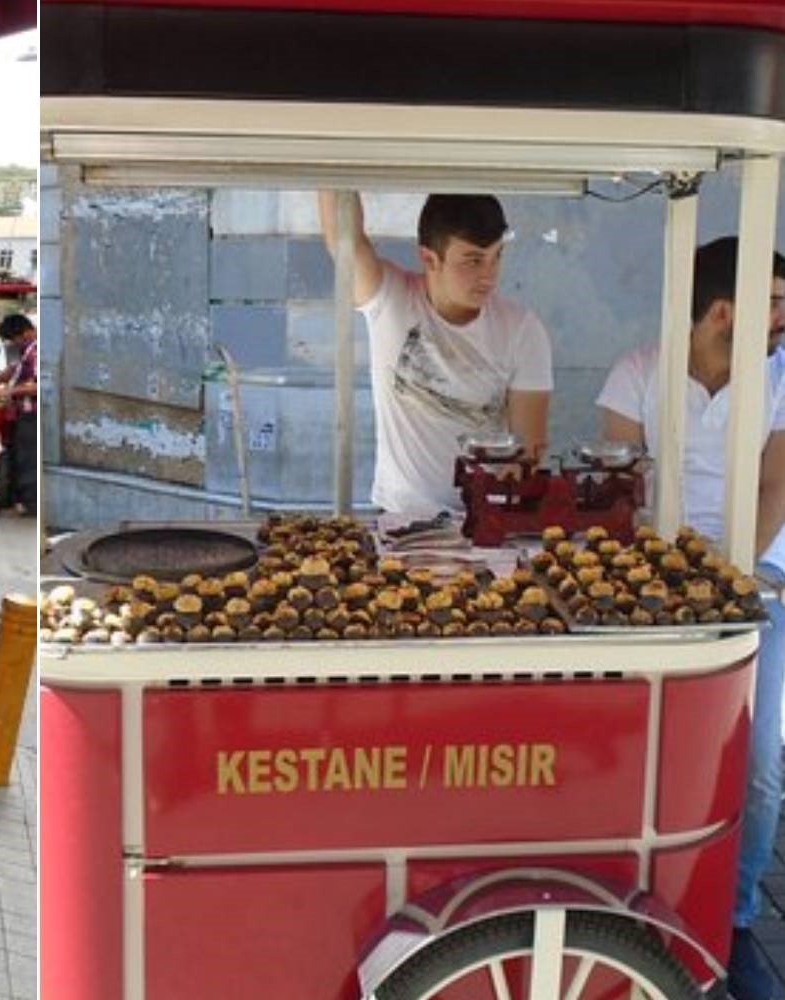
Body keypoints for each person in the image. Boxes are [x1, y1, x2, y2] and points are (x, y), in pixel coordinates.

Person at [596, 236, 785, 1000]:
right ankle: (644, 891)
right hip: (656, 582)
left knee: (759, 762)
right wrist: (667, 576)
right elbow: (615, 492)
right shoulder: (638, 371)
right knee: (644, 744)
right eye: (772, 304)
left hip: (757, 574)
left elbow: (776, 486)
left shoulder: (778, 380)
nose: (782, 321)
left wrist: (732, 577)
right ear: (721, 310)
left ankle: (734, 914)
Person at [319, 191, 553, 515]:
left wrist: (503, 513)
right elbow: (344, 240)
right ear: (430, 259)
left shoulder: (522, 329)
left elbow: (528, 448)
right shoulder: (390, 298)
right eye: (472, 260)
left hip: (483, 522)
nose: (489, 275)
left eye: (496, 256)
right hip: (401, 520)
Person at [0, 313, 38, 516]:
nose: (14, 344)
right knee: (19, 455)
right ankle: (17, 497)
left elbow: (37, 386)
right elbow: (16, 368)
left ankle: (30, 504)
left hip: (31, 413)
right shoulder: (28, 349)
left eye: (15, 339)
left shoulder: (36, 350)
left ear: (25, 332)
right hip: (21, 412)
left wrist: (8, 391)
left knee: (28, 458)